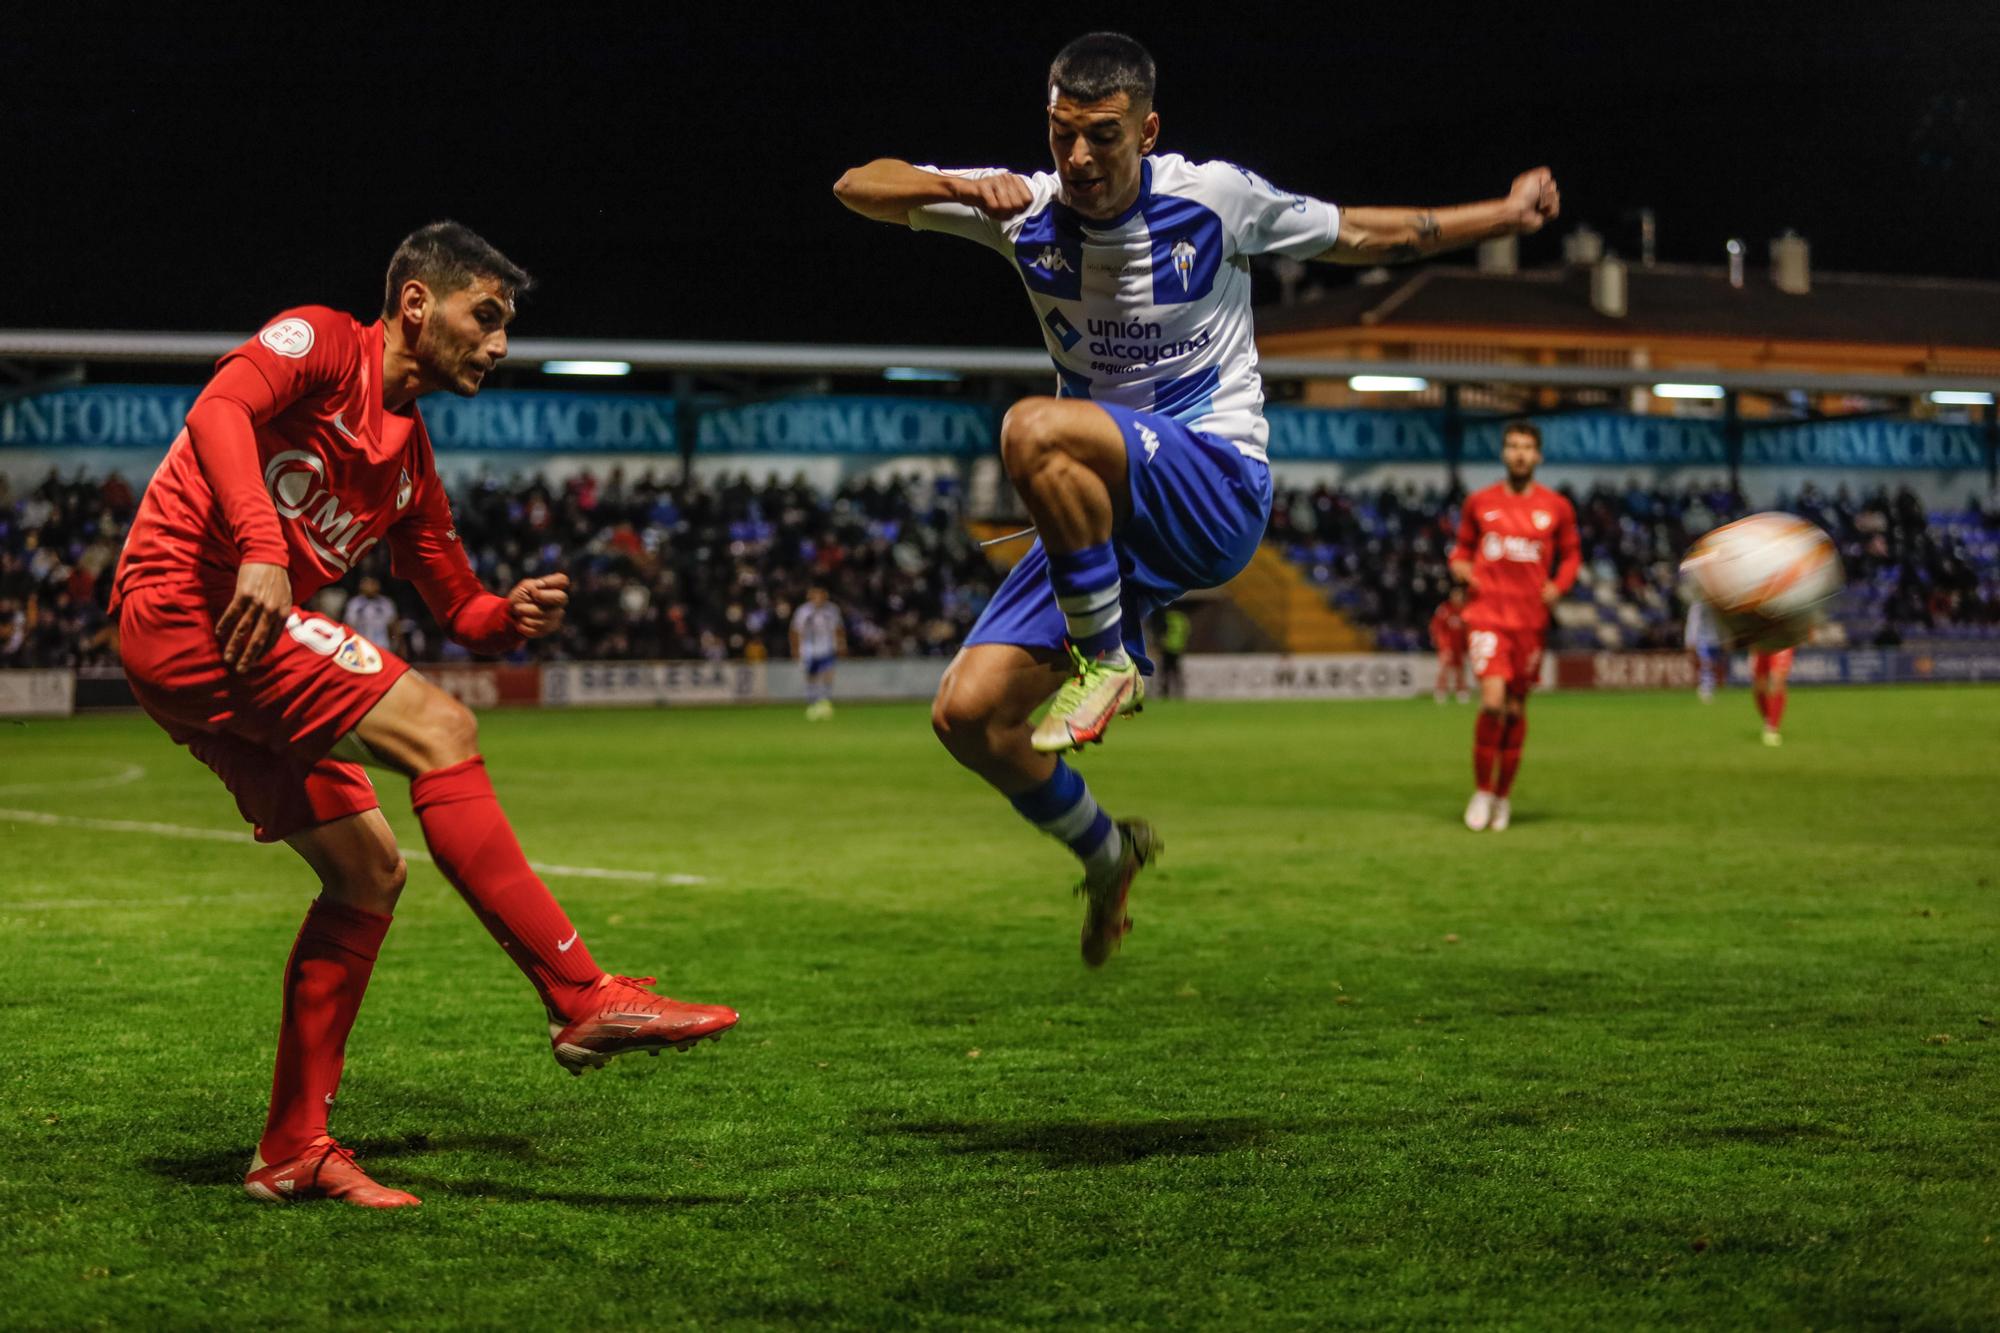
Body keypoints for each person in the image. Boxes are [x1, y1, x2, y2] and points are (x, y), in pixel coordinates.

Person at [835, 31, 1560, 960]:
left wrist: (1502, 214)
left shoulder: (1215, 198)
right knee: (967, 717)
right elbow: (857, 183)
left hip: (1215, 484)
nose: (1079, 158)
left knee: (1033, 427)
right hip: (1101, 512)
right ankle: (1106, 853)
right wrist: (961, 188)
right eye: (1061, 135)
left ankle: (1109, 662)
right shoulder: (1024, 210)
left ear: (1148, 128)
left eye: (1102, 134)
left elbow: (1370, 232)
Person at [107, 222, 738, 1210]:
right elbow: (220, 410)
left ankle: (292, 1149)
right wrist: (263, 545)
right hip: (187, 605)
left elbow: (460, 604)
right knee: (441, 731)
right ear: (415, 305)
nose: (497, 344)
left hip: (234, 638)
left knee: (366, 871)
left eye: (505, 327)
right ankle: (580, 995)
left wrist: (508, 612)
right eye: (483, 318)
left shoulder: (408, 462)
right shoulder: (319, 344)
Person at [1450, 421, 1580, 831]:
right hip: (1487, 615)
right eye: (1513, 446)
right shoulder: (1479, 503)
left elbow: (1573, 556)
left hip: (1529, 621)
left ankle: (1503, 797)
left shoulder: (1556, 507)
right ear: (1504, 453)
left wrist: (1558, 586)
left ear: (1538, 455)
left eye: (1527, 447)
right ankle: (1482, 792)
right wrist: (1462, 569)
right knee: (1492, 702)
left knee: (1515, 709)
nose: (1520, 454)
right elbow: (1461, 551)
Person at [791, 584, 846, 720]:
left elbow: (838, 628)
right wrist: (795, 649)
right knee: (811, 676)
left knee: (828, 674)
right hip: (808, 649)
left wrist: (841, 644)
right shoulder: (803, 611)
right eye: (815, 595)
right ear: (810, 596)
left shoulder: (832, 610)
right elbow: (795, 631)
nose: (818, 598)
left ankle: (825, 702)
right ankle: (812, 703)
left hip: (827, 647)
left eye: (821, 595)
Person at [1429, 585, 1470, 704]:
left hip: (1459, 645)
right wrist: (1441, 643)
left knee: (1460, 669)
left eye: (1460, 596)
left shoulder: (1465, 610)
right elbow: (1436, 627)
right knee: (1444, 667)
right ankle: (1440, 690)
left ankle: (1461, 691)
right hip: (1446, 645)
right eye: (1456, 595)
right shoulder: (1445, 609)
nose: (1458, 598)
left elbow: (1468, 629)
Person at [345, 574, 398, 655]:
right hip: (362, 645)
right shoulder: (354, 603)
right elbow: (350, 625)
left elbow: (392, 625)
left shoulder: (385, 603)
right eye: (366, 584)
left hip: (382, 645)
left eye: (372, 584)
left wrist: (396, 643)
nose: (369, 587)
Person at [1751, 645, 1793, 745]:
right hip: (1763, 642)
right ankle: (1769, 719)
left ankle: (1772, 729)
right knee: (1759, 687)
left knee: (1776, 681)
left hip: (1782, 641)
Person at [1684, 596, 1721, 702]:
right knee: (1707, 664)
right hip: (1703, 639)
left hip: (1715, 639)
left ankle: (1709, 687)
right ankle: (1705, 689)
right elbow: (1693, 623)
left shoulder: (1715, 602)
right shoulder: (1698, 604)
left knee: (1712, 664)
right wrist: (1691, 641)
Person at [1155, 605, 1190, 699]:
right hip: (1178, 648)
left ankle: (1165, 692)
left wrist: (1159, 643)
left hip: (1167, 647)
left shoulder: (1166, 618)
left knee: (1165, 672)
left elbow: (1160, 632)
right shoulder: (1182, 618)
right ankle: (1179, 691)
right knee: (1176, 671)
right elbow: (1186, 633)